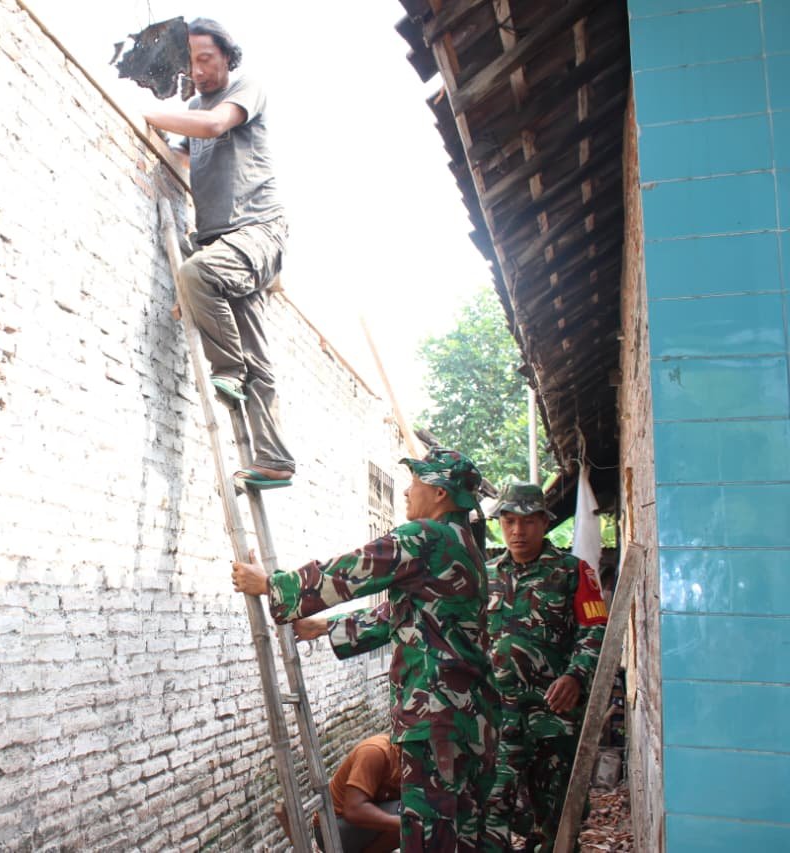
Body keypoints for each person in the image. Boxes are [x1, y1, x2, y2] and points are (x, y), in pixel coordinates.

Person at [232, 448, 498, 852]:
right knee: (465, 835)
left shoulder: (426, 536)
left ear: (440, 493)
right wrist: (324, 627)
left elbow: (353, 570)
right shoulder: (467, 549)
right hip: (474, 719)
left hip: (436, 718)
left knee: (430, 840)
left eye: (415, 483)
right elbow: (414, 617)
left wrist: (271, 585)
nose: (407, 492)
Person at [142, 18, 294, 490]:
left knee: (197, 276)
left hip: (258, 231)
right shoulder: (190, 106)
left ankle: (228, 370)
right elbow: (185, 151)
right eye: (191, 63)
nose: (199, 70)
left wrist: (145, 111)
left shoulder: (246, 88)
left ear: (227, 57)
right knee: (257, 353)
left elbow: (213, 125)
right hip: (219, 238)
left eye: (206, 59)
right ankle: (274, 461)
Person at [481, 482, 608, 853]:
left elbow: (595, 628)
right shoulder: (485, 576)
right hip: (499, 717)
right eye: (508, 522)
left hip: (553, 716)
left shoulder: (573, 572)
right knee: (491, 808)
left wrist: (576, 674)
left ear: (544, 523)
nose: (517, 531)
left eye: (528, 522)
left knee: (557, 814)